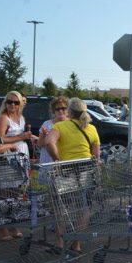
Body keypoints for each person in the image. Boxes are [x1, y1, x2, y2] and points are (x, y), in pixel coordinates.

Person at [45, 97, 101, 252]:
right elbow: (96, 156)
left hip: (66, 171)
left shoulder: (60, 126)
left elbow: (49, 142)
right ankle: (76, 244)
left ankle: (59, 243)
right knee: (85, 207)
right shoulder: (91, 128)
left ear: (69, 111)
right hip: (86, 171)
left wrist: (57, 160)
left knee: (60, 207)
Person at [0, 98, 19, 244]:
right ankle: (2, 228)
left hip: (4, 165)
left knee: (9, 195)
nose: (13, 105)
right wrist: (10, 146)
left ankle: (9, 225)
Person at [0, 91, 34, 157]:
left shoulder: (21, 117)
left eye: (16, 103)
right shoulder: (3, 118)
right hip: (10, 153)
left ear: (20, 104)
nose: (13, 104)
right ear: (5, 103)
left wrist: (33, 137)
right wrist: (20, 137)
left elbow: (21, 134)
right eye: (9, 102)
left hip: (23, 151)